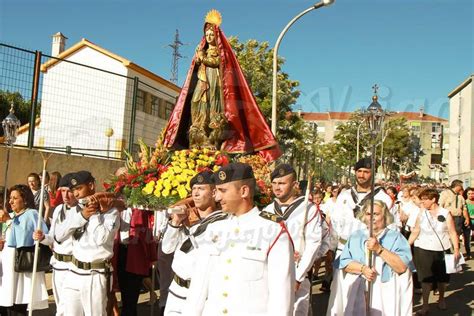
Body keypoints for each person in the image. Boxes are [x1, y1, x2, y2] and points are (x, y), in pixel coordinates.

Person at [163, 10, 280, 161]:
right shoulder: (201, 49)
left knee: (213, 108)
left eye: (212, 34)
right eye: (207, 34)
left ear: (216, 35)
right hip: (202, 81)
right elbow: (196, 66)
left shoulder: (221, 51)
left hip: (214, 83)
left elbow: (217, 63)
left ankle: (212, 139)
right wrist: (198, 59)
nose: (209, 37)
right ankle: (198, 134)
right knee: (195, 103)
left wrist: (202, 58)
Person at [183, 162, 295, 315]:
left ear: (244, 191)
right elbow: (199, 287)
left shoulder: (273, 231)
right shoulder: (215, 228)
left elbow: (281, 296)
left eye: (223, 190)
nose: (217, 197)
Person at [327, 157, 393, 316]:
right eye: (359, 171)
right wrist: (330, 249)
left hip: (369, 252)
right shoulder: (344, 196)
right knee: (342, 294)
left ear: (373, 174)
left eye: (366, 172)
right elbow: (334, 225)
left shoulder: (383, 198)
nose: (362, 175)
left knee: (369, 297)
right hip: (344, 249)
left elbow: (390, 228)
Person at [54, 171, 120, 315]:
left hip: (95, 274)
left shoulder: (110, 212)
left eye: (79, 189)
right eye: (73, 190)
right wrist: (82, 216)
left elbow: (101, 239)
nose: (76, 194)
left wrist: (95, 214)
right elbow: (58, 236)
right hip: (74, 271)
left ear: (91, 185)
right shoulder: (76, 210)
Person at [162, 170, 228, 315]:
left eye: (201, 189)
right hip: (175, 291)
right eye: (194, 189)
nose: (196, 194)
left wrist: (192, 225)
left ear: (214, 193)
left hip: (200, 295)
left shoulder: (224, 222)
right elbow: (166, 249)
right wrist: (175, 222)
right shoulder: (185, 219)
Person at [262, 163, 324, 316]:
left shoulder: (308, 209)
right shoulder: (266, 211)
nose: (277, 187)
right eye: (274, 183)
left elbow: (313, 244)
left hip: (296, 274)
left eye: (282, 183)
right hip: (270, 275)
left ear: (295, 184)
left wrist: (299, 276)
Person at [337, 200, 414, 315]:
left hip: (385, 293)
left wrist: (379, 249)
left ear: (385, 216)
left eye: (376, 214)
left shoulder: (396, 237)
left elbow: (402, 267)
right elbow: (344, 262)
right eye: (368, 214)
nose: (371, 218)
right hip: (359, 292)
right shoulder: (356, 236)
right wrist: (363, 269)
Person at [408, 188, 460, 315]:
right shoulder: (421, 213)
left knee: (442, 278)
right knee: (425, 278)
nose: (422, 202)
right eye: (422, 199)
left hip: (442, 248)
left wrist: (457, 249)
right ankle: (425, 306)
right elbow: (416, 230)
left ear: (433, 199)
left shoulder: (445, 213)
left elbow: (452, 232)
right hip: (423, 249)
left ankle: (441, 299)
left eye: (425, 199)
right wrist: (406, 245)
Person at [0, 184, 49, 314]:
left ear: (25, 200)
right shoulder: (10, 215)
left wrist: (9, 221)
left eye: (15, 198)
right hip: (5, 266)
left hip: (20, 266)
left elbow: (23, 236)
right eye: (10, 198)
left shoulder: (31, 214)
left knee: (17, 303)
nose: (10, 201)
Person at [32, 173, 77, 316]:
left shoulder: (83, 212)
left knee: (69, 308)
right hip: (58, 265)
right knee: (60, 306)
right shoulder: (58, 210)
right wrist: (43, 237)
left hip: (73, 266)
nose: (66, 195)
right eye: (63, 191)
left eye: (69, 191)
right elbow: (52, 237)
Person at [464, 187, 474, 260]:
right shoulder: (465, 202)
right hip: (468, 222)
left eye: (473, 193)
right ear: (466, 194)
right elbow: (464, 212)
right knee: (467, 239)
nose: (471, 195)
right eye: (469, 194)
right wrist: (470, 217)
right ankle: (468, 253)